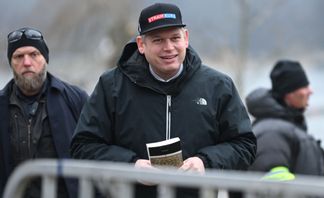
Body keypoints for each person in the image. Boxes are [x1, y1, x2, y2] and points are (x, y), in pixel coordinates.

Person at [70, 3, 256, 198]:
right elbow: (83, 145)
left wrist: (205, 162)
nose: (168, 48)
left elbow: (245, 144)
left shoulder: (218, 86)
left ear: (186, 38)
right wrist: (130, 166)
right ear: (141, 45)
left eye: (175, 38)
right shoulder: (111, 86)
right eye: (158, 40)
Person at [0, 27, 88, 198]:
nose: (27, 62)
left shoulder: (75, 100)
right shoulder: (2, 105)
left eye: (34, 54)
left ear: (45, 59)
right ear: (11, 62)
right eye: (19, 56)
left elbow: (97, 151)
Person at [246, 60, 324, 179]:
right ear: (289, 94)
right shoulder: (272, 133)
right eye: (304, 86)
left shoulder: (284, 128)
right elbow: (274, 188)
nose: (310, 91)